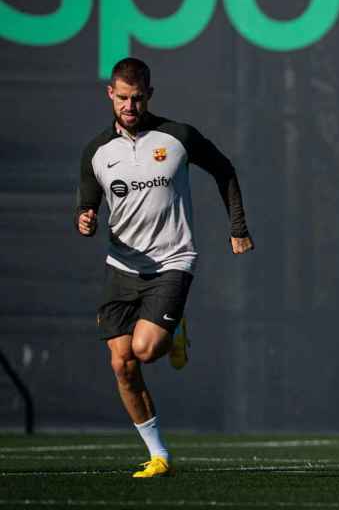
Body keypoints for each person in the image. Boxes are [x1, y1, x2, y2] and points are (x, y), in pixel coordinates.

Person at [76, 57, 253, 477]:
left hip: (172, 261)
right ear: (110, 95)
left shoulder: (177, 136)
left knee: (146, 349)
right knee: (122, 363)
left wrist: (238, 227)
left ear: (149, 95)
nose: (130, 106)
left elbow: (224, 169)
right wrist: (85, 218)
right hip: (121, 265)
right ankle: (159, 456)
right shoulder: (97, 152)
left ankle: (173, 330)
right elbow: (88, 203)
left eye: (137, 99)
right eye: (122, 98)